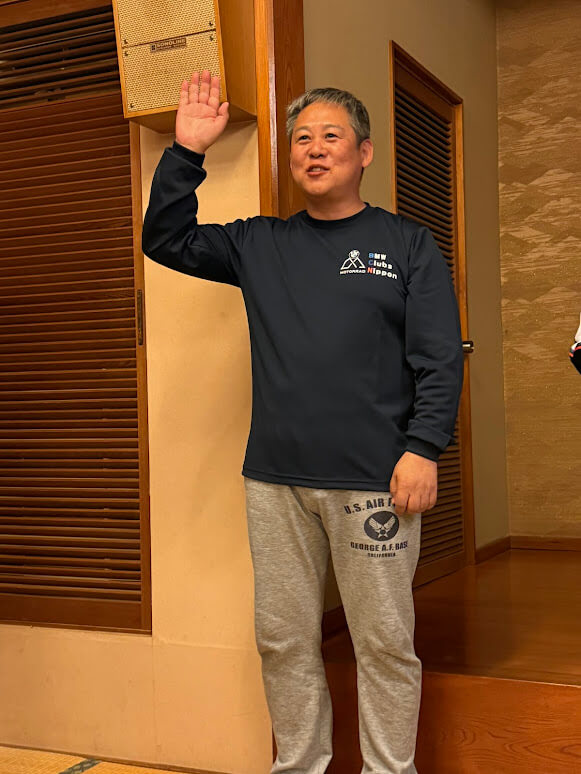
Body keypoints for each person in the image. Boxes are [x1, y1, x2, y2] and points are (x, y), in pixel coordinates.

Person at [142, 69, 464, 774]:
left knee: (383, 644)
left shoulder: (406, 244)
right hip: (276, 482)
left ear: (363, 152)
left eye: (331, 136)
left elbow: (439, 357)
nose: (314, 149)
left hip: (376, 481)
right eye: (301, 139)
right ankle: (298, 766)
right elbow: (164, 239)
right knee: (283, 640)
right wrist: (187, 150)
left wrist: (423, 448)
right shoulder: (259, 244)